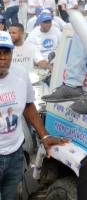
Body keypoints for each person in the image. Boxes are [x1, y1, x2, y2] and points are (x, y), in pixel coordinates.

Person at [0, 31, 68, 199]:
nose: (2, 57)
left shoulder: (21, 75)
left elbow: (28, 105)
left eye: (6, 52)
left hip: (15, 155)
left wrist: (44, 136)